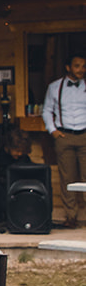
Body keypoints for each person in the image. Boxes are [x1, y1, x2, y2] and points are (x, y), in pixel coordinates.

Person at [42, 53, 86, 228]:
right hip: (64, 136)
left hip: (84, 135)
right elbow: (46, 110)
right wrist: (52, 130)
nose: (81, 69)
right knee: (67, 178)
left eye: (83, 66)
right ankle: (71, 217)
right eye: (77, 66)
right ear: (68, 67)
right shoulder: (55, 87)